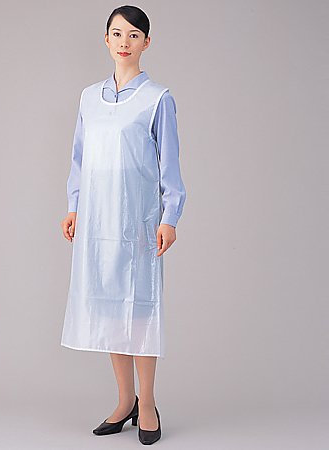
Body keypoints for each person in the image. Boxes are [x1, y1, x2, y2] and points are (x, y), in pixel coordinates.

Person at [59, 5, 186, 445]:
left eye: (133, 34)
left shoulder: (157, 99)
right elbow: (79, 158)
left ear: (146, 42)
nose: (124, 42)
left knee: (141, 309)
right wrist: (74, 205)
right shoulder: (89, 98)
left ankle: (147, 402)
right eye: (116, 33)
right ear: (106, 40)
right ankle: (124, 399)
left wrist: (170, 217)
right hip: (97, 219)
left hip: (138, 221)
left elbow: (170, 164)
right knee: (111, 307)